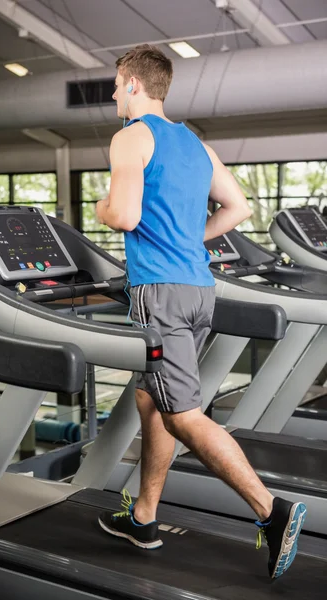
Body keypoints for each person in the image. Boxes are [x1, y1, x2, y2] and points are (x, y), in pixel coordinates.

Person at [95, 44, 306, 579]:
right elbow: (239, 208)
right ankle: (143, 516)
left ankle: (272, 512)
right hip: (198, 290)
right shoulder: (194, 143)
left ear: (134, 84)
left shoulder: (130, 137)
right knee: (152, 398)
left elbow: (122, 214)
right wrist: (188, 238)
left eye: (118, 85)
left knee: (183, 414)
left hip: (159, 293)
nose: (114, 94)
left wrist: (100, 206)